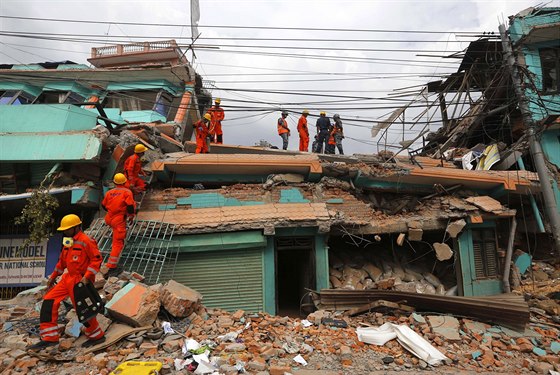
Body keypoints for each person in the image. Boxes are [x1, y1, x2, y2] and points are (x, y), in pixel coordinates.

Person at [29, 214, 105, 350]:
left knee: (83, 309)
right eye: (64, 229)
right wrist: (52, 277)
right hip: (67, 278)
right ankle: (49, 337)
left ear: (77, 227)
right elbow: (62, 262)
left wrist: (87, 276)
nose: (65, 231)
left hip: (80, 280)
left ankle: (97, 336)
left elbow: (96, 259)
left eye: (68, 229)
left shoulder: (86, 240)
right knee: (49, 300)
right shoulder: (68, 242)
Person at [101, 173, 136, 277]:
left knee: (115, 238)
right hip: (118, 220)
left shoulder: (109, 192)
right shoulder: (127, 192)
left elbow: (103, 205)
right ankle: (111, 267)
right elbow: (130, 206)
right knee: (118, 244)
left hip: (109, 218)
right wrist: (131, 216)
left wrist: (112, 211)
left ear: (115, 182)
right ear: (125, 182)